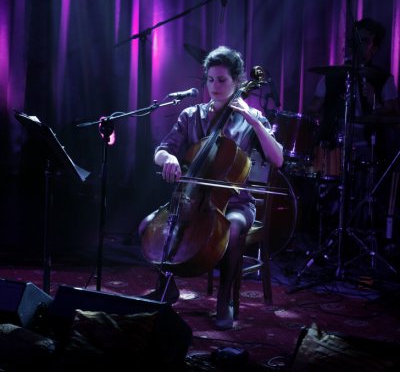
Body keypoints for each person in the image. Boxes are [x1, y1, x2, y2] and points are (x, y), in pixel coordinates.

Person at [139, 45, 284, 329]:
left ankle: (224, 300)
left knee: (232, 227)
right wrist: (169, 159)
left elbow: (277, 158)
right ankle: (167, 286)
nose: (214, 86)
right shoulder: (190, 115)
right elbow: (161, 151)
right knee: (148, 226)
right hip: (190, 199)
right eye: (210, 80)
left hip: (236, 202)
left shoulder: (250, 118)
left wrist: (253, 120)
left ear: (237, 82)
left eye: (222, 80)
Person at [308, 17, 399, 232]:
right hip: (335, 144)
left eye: (365, 41)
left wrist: (375, 101)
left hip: (367, 146)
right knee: (325, 185)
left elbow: (394, 113)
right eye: (356, 39)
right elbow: (313, 108)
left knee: (364, 193)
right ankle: (326, 230)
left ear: (374, 48)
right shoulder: (332, 76)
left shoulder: (382, 79)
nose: (358, 45)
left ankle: (361, 230)